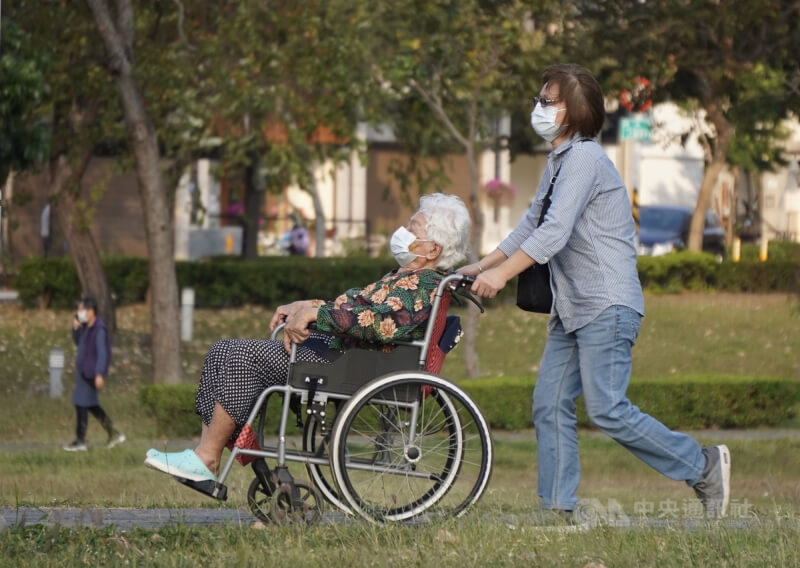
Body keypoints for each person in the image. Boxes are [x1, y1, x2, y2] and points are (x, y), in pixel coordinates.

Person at [459, 64, 730, 519]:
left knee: (607, 408)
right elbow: (531, 225)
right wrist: (480, 265)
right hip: (572, 308)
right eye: (539, 99)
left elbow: (554, 233)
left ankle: (702, 465)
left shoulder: (585, 159)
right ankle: (558, 508)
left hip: (606, 303)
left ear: (575, 110)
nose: (538, 108)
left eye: (548, 101)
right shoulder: (560, 160)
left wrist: (502, 277)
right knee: (549, 403)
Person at [144, 193, 471, 482]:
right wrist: (306, 306)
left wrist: (319, 315)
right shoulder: (400, 277)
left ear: (432, 248)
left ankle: (207, 457)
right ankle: (207, 454)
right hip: (338, 354)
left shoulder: (425, 284)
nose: (403, 231)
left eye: (413, 227)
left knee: (241, 356)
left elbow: (383, 325)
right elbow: (354, 309)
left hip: (347, 364)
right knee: (222, 350)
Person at [63, 297, 126, 451]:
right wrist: (75, 328)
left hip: (90, 373)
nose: (80, 313)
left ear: (91, 311)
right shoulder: (86, 327)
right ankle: (114, 434)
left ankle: (81, 441)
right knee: (91, 406)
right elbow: (79, 342)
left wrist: (99, 374)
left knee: (81, 404)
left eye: (82, 310)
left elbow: (103, 353)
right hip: (84, 373)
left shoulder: (99, 329)